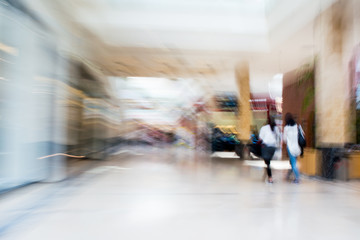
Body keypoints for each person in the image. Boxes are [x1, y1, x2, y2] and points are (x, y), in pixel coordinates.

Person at [259, 117, 280, 183]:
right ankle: (267, 174)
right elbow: (279, 137)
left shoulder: (264, 128)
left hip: (266, 147)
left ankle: (270, 178)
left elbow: (260, 138)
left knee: (267, 163)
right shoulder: (276, 129)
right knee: (268, 162)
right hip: (273, 148)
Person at [283, 113, 302, 183]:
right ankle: (288, 175)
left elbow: (284, 139)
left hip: (290, 147)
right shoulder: (296, 126)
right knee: (293, 162)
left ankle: (297, 178)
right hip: (297, 147)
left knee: (293, 163)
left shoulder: (286, 128)